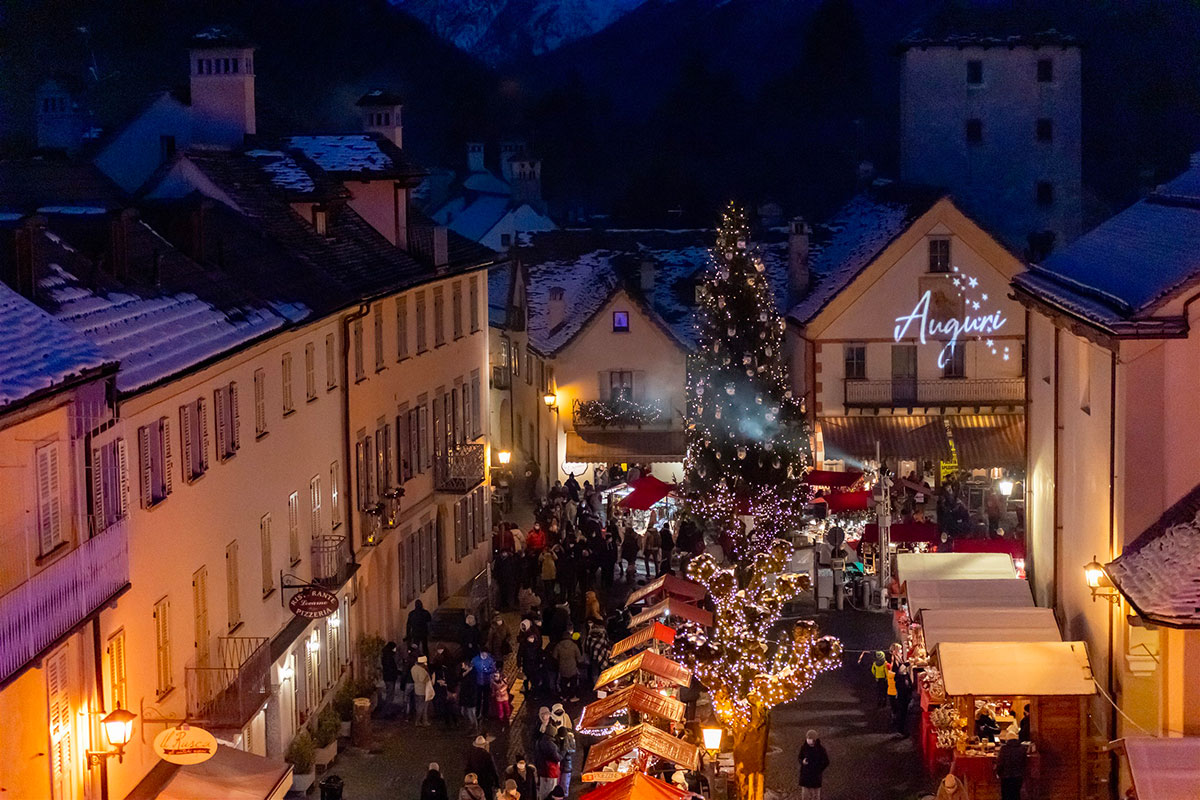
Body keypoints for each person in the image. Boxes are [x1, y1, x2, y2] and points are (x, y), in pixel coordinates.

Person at [798, 730, 830, 800]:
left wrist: (818, 769)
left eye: (810, 739)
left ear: (815, 740)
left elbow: (826, 761)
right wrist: (802, 762)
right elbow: (800, 757)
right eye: (808, 738)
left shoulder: (821, 749)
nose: (808, 740)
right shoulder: (804, 747)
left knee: (815, 796)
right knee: (805, 796)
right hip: (805, 776)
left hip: (815, 777)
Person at [466, 735, 501, 800]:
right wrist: (497, 783)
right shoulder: (487, 755)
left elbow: (467, 769)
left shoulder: (471, 756)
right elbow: (493, 769)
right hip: (486, 782)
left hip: (475, 782)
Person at [996, 728, 1026, 800]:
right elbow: (1024, 762)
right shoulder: (1022, 748)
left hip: (1006, 776)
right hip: (1018, 776)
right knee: (1016, 794)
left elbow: (1000, 763)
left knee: (1006, 795)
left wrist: (998, 773)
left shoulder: (1004, 749)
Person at [552, 633, 583, 702]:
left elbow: (554, 656)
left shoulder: (558, 645)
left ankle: (564, 696)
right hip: (572, 667)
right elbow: (579, 658)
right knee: (573, 683)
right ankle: (572, 697)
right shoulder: (574, 646)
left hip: (562, 668)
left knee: (563, 683)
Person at [534, 726, 562, 800]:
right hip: (550, 771)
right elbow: (557, 758)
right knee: (550, 790)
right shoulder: (551, 745)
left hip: (542, 769)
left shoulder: (539, 741)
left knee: (542, 789)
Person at [471, 649, 498, 719]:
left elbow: (494, 669)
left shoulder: (490, 660)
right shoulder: (475, 660)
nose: (485, 655)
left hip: (486, 682)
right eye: (484, 654)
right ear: (481, 653)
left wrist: (488, 670)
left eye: (486, 653)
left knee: (486, 698)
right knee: (478, 698)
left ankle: (484, 714)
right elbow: (471, 669)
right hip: (478, 682)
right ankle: (477, 713)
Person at [554, 716, 577, 794]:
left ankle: (564, 795)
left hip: (567, 764)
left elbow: (573, 750)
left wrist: (566, 749)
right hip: (558, 763)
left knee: (565, 783)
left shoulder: (569, 739)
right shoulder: (556, 738)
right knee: (557, 783)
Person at [893, 662, 914, 737]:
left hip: (904, 698)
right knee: (902, 714)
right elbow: (907, 687)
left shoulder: (902, 677)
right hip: (902, 699)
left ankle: (901, 729)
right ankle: (901, 730)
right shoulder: (901, 680)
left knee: (903, 713)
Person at [412, 655, 432, 726]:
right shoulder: (421, 670)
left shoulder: (413, 668)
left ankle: (419, 721)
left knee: (418, 706)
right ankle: (421, 721)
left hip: (416, 689)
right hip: (423, 690)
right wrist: (428, 678)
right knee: (423, 707)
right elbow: (422, 679)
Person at [381, 641, 399, 711]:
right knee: (390, 695)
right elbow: (390, 668)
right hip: (390, 678)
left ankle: (388, 710)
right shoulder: (388, 657)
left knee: (390, 695)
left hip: (388, 677)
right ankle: (386, 711)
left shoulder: (386, 655)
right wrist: (396, 672)